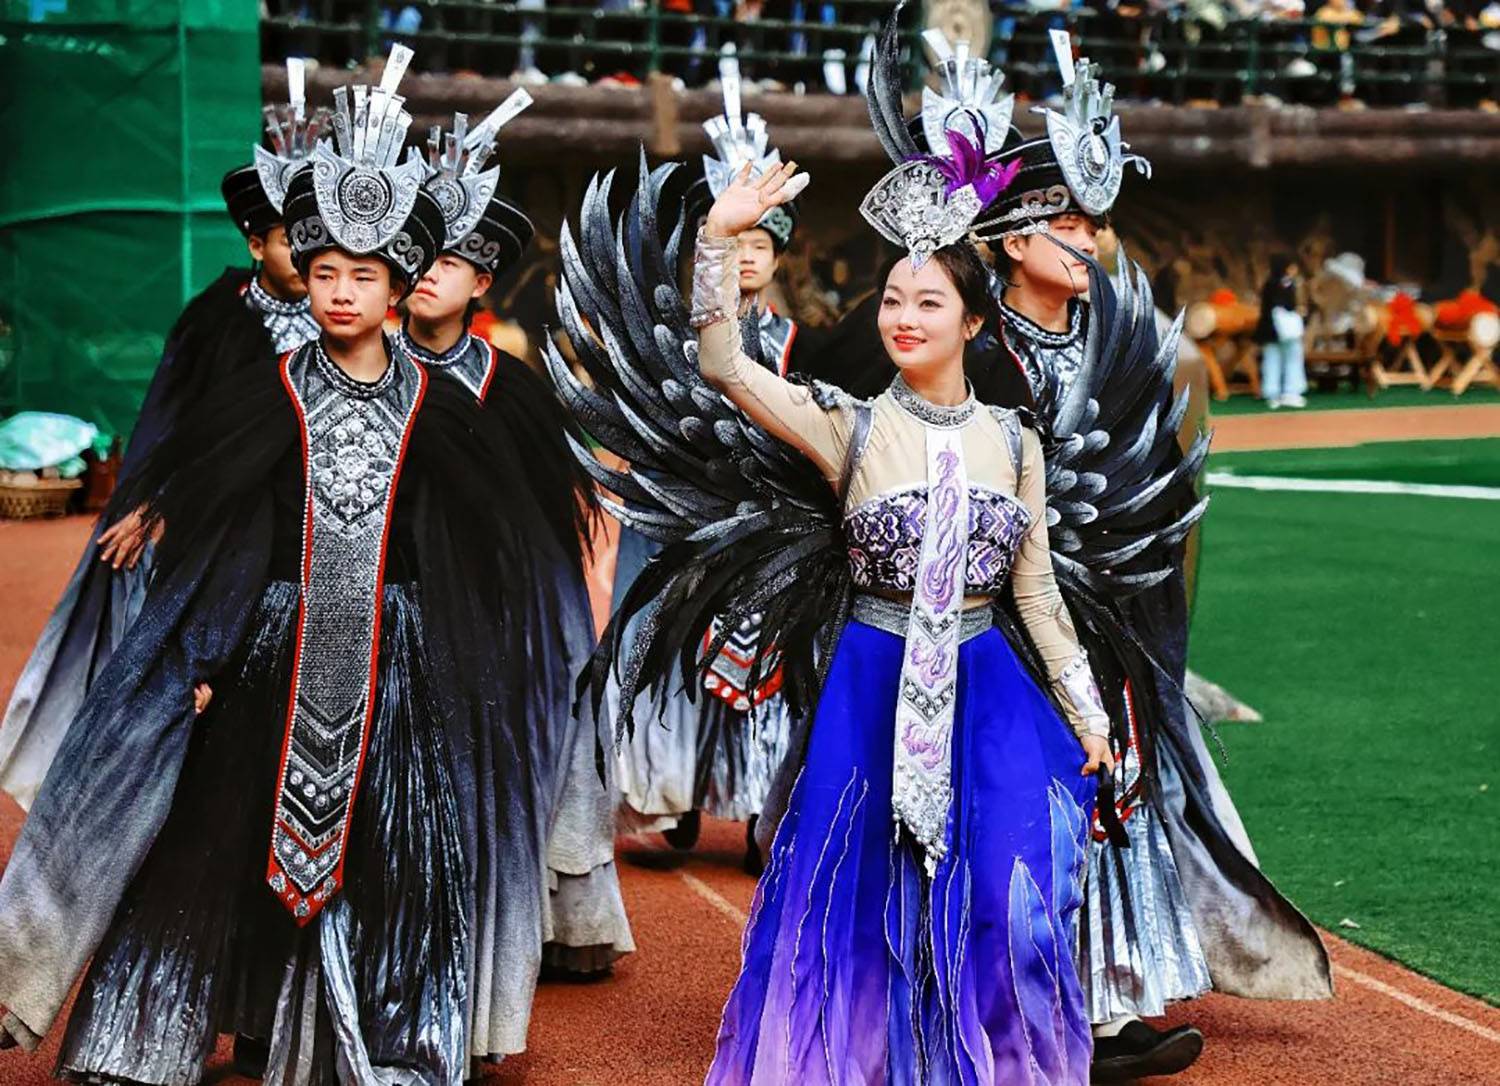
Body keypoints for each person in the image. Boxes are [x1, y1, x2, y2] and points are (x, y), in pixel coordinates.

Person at [0, 48, 587, 1082]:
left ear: (397, 287)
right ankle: (151, 1038)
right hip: (273, 653)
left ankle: (382, 1041)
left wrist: (465, 665)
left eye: (364, 275)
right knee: (216, 843)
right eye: (324, 273)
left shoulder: (443, 409)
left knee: (393, 861)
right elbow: (218, 531)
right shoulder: (265, 389)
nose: (341, 292)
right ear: (302, 278)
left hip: (402, 667)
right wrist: (201, 646)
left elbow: (478, 553)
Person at [862, 20, 1333, 1082]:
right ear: (1011, 240)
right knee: (1006, 814)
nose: (1088, 240)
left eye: (1094, 222)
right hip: (991, 624)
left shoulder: (1120, 337)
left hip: (1110, 621)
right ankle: (988, 1005)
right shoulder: (975, 347)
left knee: (1110, 796)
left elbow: (1164, 484)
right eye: (1066, 222)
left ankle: (1105, 1005)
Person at [0, 60, 323, 815]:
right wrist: (148, 505)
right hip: (216, 521)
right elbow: (167, 424)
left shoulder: (343, 320)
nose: (310, 260)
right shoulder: (216, 319)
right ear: (255, 244)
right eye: (292, 242)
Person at [405, 93, 634, 978]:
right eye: (417, 256)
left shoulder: (514, 385)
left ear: (482, 282)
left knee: (540, 738)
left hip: (507, 603)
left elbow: (550, 521)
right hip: (399, 598)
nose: (428, 274)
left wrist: (550, 622)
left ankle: (548, 915)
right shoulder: (368, 376)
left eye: (452, 261)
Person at [612, 53, 799, 873]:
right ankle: (675, 799)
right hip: (683, 525)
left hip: (766, 529)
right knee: (675, 658)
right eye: (735, 241)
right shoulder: (674, 338)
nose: (747, 256)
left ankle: (761, 809)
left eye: (762, 242)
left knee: (766, 672)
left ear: (780, 256)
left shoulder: (798, 343)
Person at [1256, 254, 1309, 408]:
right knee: (1274, 359)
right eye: (1291, 267)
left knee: (1289, 358)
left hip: (1285, 330)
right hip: (1274, 329)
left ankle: (1290, 392)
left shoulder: (1289, 284)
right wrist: (1294, 310)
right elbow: (1277, 306)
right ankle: (1273, 393)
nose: (1294, 270)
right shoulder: (1274, 284)